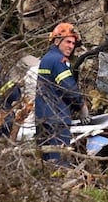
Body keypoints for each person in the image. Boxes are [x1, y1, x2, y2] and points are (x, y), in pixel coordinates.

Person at [36, 22, 87, 162]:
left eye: (73, 43)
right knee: (59, 162)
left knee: (44, 163)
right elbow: (68, 88)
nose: (71, 46)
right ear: (57, 41)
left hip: (42, 118)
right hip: (57, 120)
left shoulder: (46, 59)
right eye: (68, 42)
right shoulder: (59, 61)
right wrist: (81, 106)